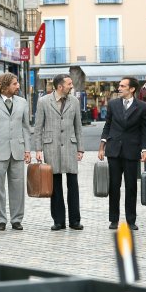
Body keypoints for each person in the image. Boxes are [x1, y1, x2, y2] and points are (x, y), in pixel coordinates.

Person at [98, 76, 146, 230]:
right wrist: (102, 146)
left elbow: (145, 131)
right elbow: (107, 126)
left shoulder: (142, 107)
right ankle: (114, 219)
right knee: (114, 186)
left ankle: (131, 221)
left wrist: (145, 149)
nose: (119, 88)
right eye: (119, 86)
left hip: (131, 150)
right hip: (113, 150)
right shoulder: (113, 104)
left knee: (131, 187)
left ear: (132, 89)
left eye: (122, 86)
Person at [34, 74, 84, 231]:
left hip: (70, 146)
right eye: (69, 84)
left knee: (73, 185)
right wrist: (38, 149)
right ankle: (58, 221)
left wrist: (80, 148)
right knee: (55, 186)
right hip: (51, 147)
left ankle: (75, 221)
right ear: (60, 86)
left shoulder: (74, 101)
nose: (71, 86)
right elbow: (38, 127)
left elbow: (78, 127)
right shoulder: (43, 101)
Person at [0, 72, 32, 231]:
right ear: (4, 87)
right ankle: (1, 220)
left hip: (17, 150)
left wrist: (27, 149)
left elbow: (26, 127)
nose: (18, 86)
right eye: (14, 84)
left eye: (17, 83)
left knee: (18, 187)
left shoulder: (22, 102)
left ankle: (17, 219)